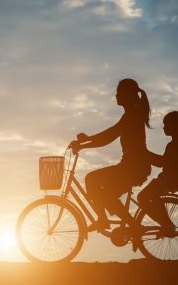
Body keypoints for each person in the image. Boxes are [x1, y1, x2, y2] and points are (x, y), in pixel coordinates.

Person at [76, 78, 152, 230]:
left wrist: (84, 144)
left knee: (92, 181)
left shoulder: (132, 115)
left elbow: (109, 136)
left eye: (118, 93)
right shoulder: (131, 114)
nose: (116, 96)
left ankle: (115, 222)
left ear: (127, 95)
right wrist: (86, 141)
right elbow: (111, 133)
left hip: (133, 168)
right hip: (132, 167)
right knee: (102, 191)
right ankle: (120, 223)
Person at [137, 111, 178, 236]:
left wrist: (145, 153)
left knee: (142, 197)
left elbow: (162, 163)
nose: (164, 127)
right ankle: (166, 223)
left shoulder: (173, 145)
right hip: (168, 180)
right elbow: (163, 163)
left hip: (170, 180)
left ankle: (166, 224)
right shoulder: (172, 144)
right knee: (151, 196)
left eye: (166, 124)